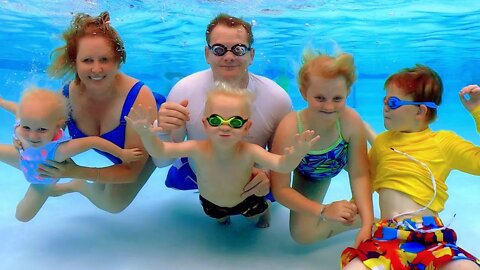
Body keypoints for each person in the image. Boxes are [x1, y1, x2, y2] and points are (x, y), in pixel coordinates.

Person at [341, 65, 480, 269]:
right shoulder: (381, 143)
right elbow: (368, 180)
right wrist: (354, 207)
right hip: (386, 234)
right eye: (385, 100)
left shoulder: (443, 143)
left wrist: (478, 111)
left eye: (393, 102)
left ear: (420, 111)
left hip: (429, 236)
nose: (385, 107)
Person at [126, 83, 318, 227]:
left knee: (253, 215)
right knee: (219, 217)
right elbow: (161, 151)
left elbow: (281, 165)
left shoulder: (250, 151)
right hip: (210, 201)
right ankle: (224, 215)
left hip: (246, 199)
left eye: (234, 122)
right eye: (216, 120)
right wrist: (146, 134)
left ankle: (264, 213)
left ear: (246, 127)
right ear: (205, 124)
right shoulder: (196, 148)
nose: (224, 126)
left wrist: (297, 153)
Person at [35, 11, 165, 213]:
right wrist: (22, 136)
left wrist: (77, 174)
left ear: (118, 60)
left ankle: (78, 187)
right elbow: (41, 128)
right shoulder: (66, 97)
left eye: (105, 59)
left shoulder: (138, 97)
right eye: (87, 60)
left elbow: (130, 171)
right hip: (122, 154)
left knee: (113, 204)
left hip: (151, 148)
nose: (96, 69)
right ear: (74, 62)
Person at [155, 13, 292, 200]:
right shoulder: (183, 91)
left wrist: (268, 176)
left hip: (252, 181)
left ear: (251, 55)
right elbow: (162, 161)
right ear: (207, 54)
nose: (229, 57)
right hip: (200, 177)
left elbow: (283, 163)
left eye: (239, 49)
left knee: (268, 199)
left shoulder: (277, 99)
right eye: (219, 49)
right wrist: (162, 129)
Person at [270, 50, 373, 247]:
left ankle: (386, 217)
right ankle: (363, 218)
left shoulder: (350, 121)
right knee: (303, 235)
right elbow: (280, 189)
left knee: (383, 168)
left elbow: (360, 174)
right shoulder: (291, 127)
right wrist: (324, 210)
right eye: (320, 98)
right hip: (312, 174)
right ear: (303, 92)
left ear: (347, 94)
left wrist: (366, 225)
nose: (328, 106)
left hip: (347, 161)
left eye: (337, 98)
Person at [0, 88, 143, 221]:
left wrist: (122, 153)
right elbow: (16, 109)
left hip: (43, 176)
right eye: (26, 127)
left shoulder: (60, 151)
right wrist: (2, 102)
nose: (32, 135)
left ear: (57, 127)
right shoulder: (26, 121)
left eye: (42, 130)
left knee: (22, 216)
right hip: (21, 157)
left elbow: (94, 141)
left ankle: (75, 185)